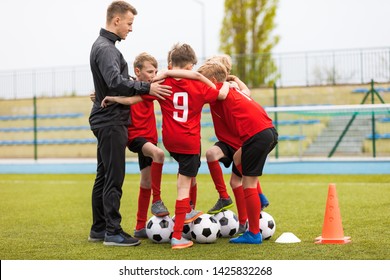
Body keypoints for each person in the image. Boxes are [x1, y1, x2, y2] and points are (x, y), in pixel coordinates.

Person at [102, 43, 230, 249]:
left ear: (172, 63)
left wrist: (114, 98)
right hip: (189, 142)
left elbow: (137, 97)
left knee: (187, 177)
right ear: (190, 67)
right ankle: (178, 235)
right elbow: (221, 94)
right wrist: (229, 83)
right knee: (184, 186)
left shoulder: (164, 84)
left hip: (170, 142)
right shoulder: (199, 86)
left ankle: (184, 211)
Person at [88, 1, 172, 247]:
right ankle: (112, 232)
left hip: (106, 119)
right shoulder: (106, 49)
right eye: (129, 23)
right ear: (116, 20)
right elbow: (115, 81)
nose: (131, 29)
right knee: (113, 176)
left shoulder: (104, 46)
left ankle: (99, 229)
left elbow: (111, 83)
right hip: (111, 121)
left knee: (103, 175)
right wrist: (147, 87)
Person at [197, 60, 278, 244]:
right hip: (268, 131)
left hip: (256, 136)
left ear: (211, 80)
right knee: (236, 170)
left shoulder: (221, 91)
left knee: (248, 184)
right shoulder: (232, 90)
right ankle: (259, 198)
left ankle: (254, 233)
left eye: (202, 80)